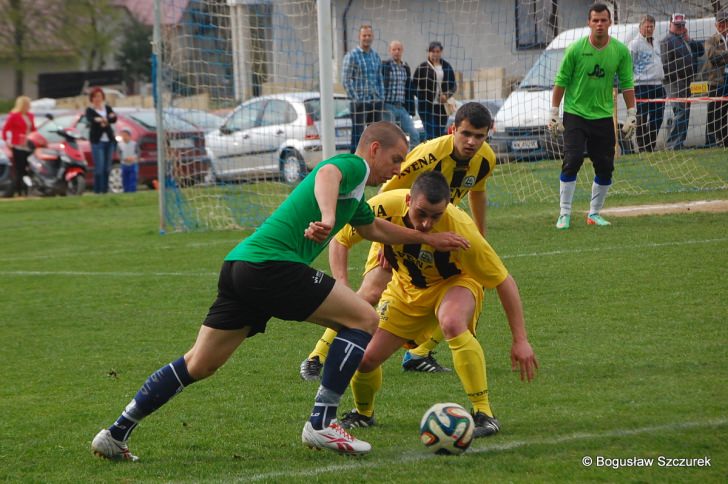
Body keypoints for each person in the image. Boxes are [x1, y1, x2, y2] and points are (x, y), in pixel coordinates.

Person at [90, 121, 470, 461]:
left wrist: (431, 240)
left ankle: (116, 432)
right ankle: (322, 422)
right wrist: (326, 216)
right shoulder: (354, 167)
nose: (399, 168)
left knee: (199, 363)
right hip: (271, 266)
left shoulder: (356, 200)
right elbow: (328, 173)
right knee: (365, 318)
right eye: (396, 158)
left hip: (239, 267)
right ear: (374, 149)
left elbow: (378, 230)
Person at [328, 171, 537, 438]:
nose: (427, 223)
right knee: (365, 358)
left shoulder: (461, 229)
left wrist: (520, 339)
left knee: (451, 322)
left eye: (435, 216)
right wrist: (343, 288)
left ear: (448, 206)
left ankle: (484, 413)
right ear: (408, 200)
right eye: (421, 213)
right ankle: (363, 414)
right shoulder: (382, 206)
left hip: (454, 283)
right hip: (406, 289)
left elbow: (504, 281)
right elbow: (341, 238)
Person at [300, 102, 496, 379]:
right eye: (466, 134)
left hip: (439, 234)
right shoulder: (427, 156)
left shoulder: (486, 159)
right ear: (453, 129)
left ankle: (419, 352)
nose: (472, 141)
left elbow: (478, 192)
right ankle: (318, 355)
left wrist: (480, 239)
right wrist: (385, 244)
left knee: (463, 287)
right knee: (370, 294)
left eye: (479, 136)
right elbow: (386, 191)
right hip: (396, 232)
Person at [548, 3, 636, 230]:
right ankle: (564, 214)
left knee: (606, 166)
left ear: (610, 23)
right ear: (589, 23)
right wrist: (554, 113)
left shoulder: (620, 51)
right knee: (573, 159)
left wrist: (631, 114)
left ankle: (594, 213)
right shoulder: (576, 49)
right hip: (575, 114)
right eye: (595, 20)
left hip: (604, 116)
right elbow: (561, 82)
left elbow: (626, 84)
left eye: (603, 20)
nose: (599, 24)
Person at [660, 13, 705, 150]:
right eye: (677, 25)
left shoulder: (683, 39)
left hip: (686, 83)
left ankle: (679, 143)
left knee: (685, 113)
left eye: (682, 25)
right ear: (670, 25)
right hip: (675, 83)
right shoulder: (667, 41)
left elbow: (701, 51)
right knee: (680, 112)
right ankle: (672, 144)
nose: (680, 27)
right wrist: (680, 76)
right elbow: (666, 64)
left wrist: (689, 39)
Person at [342, 24, 385, 153]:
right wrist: (356, 98)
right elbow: (346, 79)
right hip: (359, 103)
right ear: (359, 37)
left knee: (375, 135)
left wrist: (381, 97)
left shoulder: (375, 56)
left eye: (369, 35)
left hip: (375, 101)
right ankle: (354, 162)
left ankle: (373, 163)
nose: (367, 38)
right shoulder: (352, 56)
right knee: (358, 136)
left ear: (373, 37)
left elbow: (379, 78)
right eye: (364, 35)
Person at [629, 15, 665, 152]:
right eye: (647, 26)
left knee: (658, 116)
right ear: (641, 27)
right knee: (642, 116)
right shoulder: (634, 44)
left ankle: (651, 143)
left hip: (657, 84)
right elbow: (628, 65)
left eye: (651, 26)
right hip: (642, 85)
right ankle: (643, 146)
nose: (649, 29)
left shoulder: (656, 42)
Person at [413, 41, 457, 141]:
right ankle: (429, 152)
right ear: (428, 52)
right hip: (427, 106)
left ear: (441, 52)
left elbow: (453, 85)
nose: (435, 54)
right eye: (433, 51)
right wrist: (422, 96)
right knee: (430, 133)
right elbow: (413, 85)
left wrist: (446, 95)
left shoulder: (446, 66)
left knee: (439, 133)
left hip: (442, 107)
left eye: (437, 51)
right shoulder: (423, 67)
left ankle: (437, 154)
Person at [382, 40, 420, 148]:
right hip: (388, 106)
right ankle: (389, 161)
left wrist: (411, 107)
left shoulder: (405, 68)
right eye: (394, 49)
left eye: (399, 49)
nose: (396, 52)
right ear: (390, 51)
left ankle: (411, 160)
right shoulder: (385, 66)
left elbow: (409, 89)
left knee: (414, 134)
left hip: (402, 107)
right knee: (390, 136)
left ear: (402, 51)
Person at [1, 95, 35, 197]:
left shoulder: (30, 116)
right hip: (18, 145)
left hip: (28, 144)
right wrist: (8, 141)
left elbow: (33, 129)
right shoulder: (14, 116)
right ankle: (20, 190)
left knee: (28, 168)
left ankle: (28, 188)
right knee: (20, 169)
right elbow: (5, 129)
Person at [703, 11, 728, 148]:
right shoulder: (711, 40)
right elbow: (712, 55)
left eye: (726, 22)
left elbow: (719, 56)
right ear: (716, 25)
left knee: (725, 114)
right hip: (716, 82)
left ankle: (724, 140)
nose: (724, 25)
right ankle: (711, 141)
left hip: (727, 81)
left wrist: (722, 55)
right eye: (721, 23)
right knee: (713, 112)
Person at [85, 87, 117, 194]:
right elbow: (92, 120)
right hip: (97, 142)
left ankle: (105, 190)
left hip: (109, 140)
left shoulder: (107, 108)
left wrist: (104, 120)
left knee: (107, 168)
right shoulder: (90, 110)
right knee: (99, 168)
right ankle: (98, 191)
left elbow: (113, 118)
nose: (97, 99)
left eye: (99, 96)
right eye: (95, 97)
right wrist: (102, 120)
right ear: (92, 99)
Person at [117, 128, 139, 193]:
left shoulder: (134, 144)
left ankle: (132, 190)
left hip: (133, 163)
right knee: (125, 178)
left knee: (132, 178)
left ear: (129, 136)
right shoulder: (120, 144)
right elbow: (119, 153)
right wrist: (123, 158)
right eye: (123, 135)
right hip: (124, 163)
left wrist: (133, 158)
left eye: (125, 135)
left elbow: (138, 152)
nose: (124, 137)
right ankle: (126, 191)